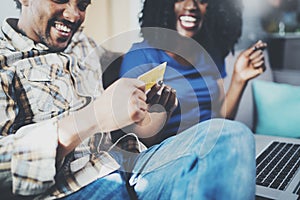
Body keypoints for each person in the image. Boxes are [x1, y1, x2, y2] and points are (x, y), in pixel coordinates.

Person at [0, 0, 256, 199]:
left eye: (82, 5)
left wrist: (151, 115)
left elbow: (131, 123)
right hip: (74, 187)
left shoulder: (83, 45)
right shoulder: (5, 62)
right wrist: (93, 117)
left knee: (232, 136)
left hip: (132, 164)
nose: (73, 15)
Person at [119, 0, 267, 145]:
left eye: (201, 0)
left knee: (242, 135)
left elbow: (221, 118)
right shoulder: (141, 57)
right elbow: (137, 138)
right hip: (168, 152)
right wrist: (161, 114)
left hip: (210, 143)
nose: (191, 6)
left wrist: (239, 79)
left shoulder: (210, 54)